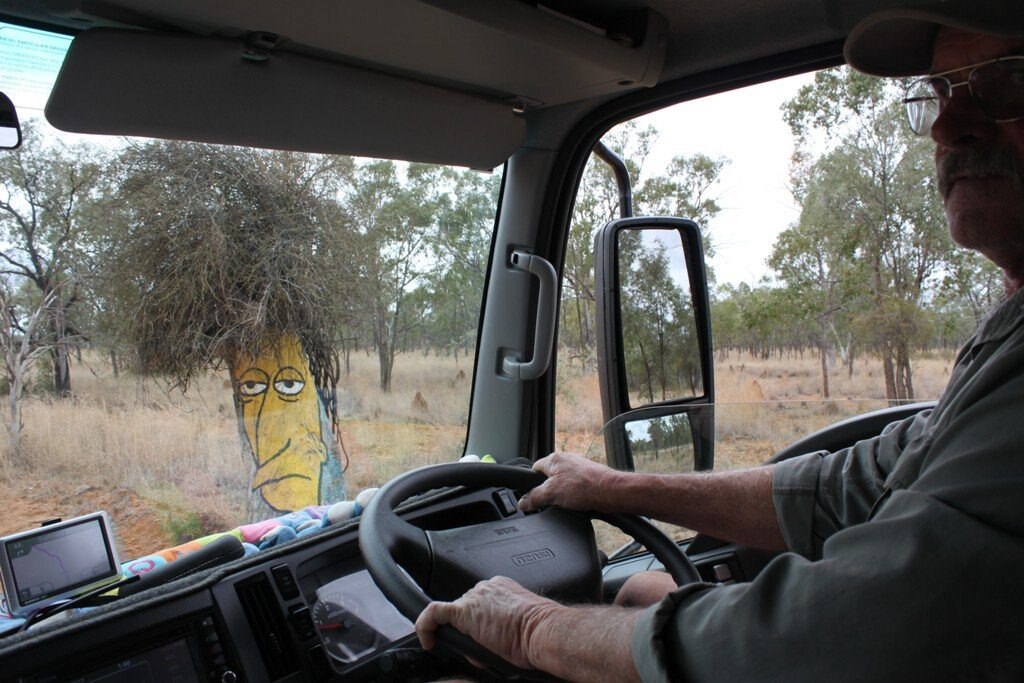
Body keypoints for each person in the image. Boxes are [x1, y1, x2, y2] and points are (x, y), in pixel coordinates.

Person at [415, 2, 1024, 681]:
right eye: (940, 90)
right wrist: (615, 486)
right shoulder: (1005, 342)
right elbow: (847, 487)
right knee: (643, 590)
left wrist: (534, 628)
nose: (948, 124)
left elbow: (855, 627)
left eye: (1003, 82)